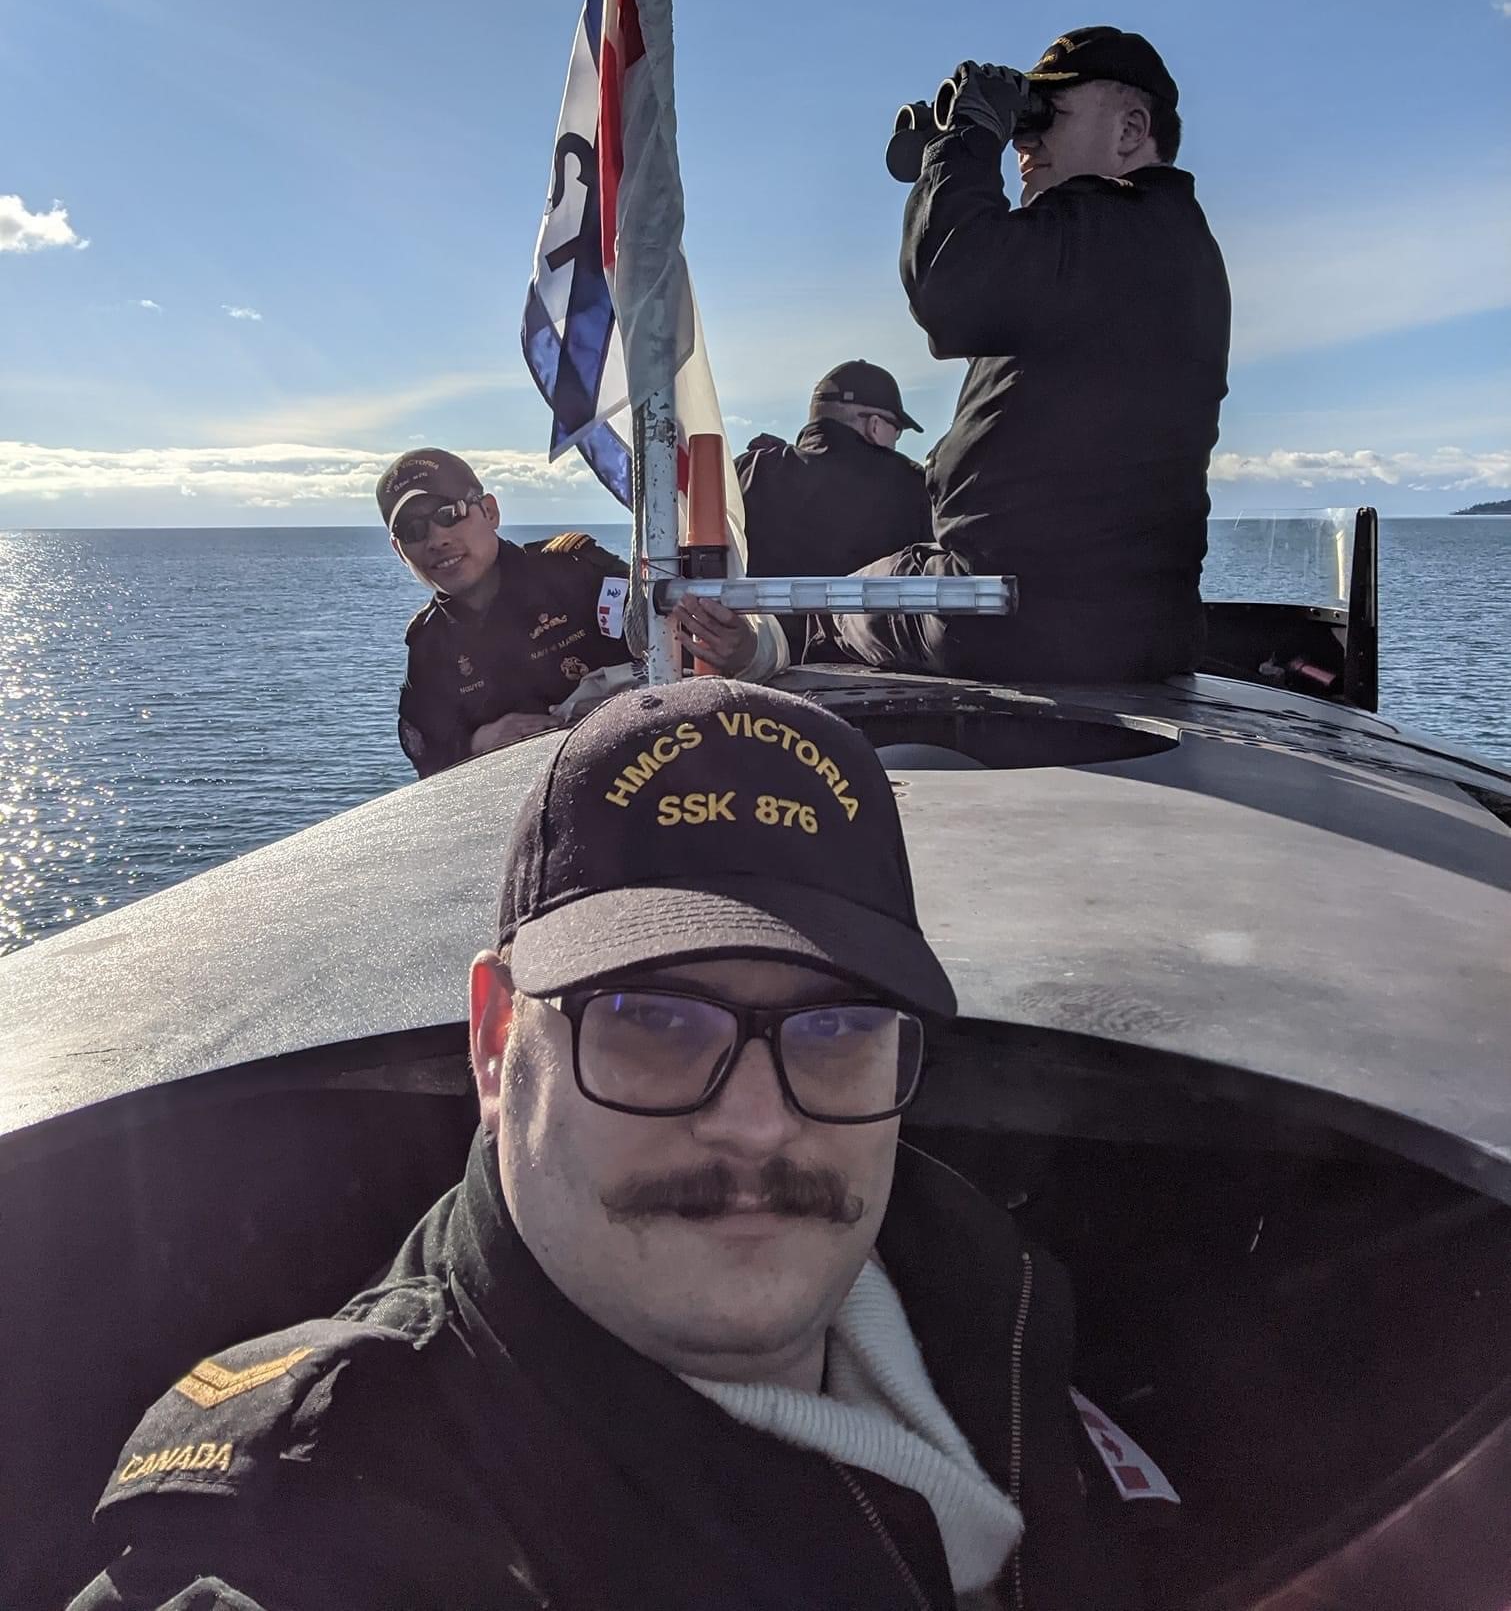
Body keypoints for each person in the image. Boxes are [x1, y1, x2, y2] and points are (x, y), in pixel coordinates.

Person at [71, 677, 1131, 1611]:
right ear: (495, 1043)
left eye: (837, 1028)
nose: (758, 1121)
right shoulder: (330, 1521)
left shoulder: (980, 1279)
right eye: (653, 1019)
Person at [835, 27, 1231, 686]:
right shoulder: (1145, 241)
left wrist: (963, 137)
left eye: (1048, 117)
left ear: (1131, 130)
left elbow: (952, 286)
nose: (1023, 141)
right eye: (1021, 122)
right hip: (1132, 625)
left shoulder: (1114, 229)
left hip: (1012, 615)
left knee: (825, 609)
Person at [377, 446, 782, 776]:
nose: (436, 540)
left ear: (490, 512)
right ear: (400, 552)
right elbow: (427, 757)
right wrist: (477, 744)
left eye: (449, 515)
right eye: (413, 531)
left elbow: (690, 650)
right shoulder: (429, 648)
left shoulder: (577, 576)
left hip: (650, 779)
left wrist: (741, 649)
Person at [736, 361, 933, 582]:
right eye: (896, 431)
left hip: (754, 617)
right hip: (866, 617)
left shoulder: (746, 472)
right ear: (875, 425)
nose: (896, 442)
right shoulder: (913, 486)